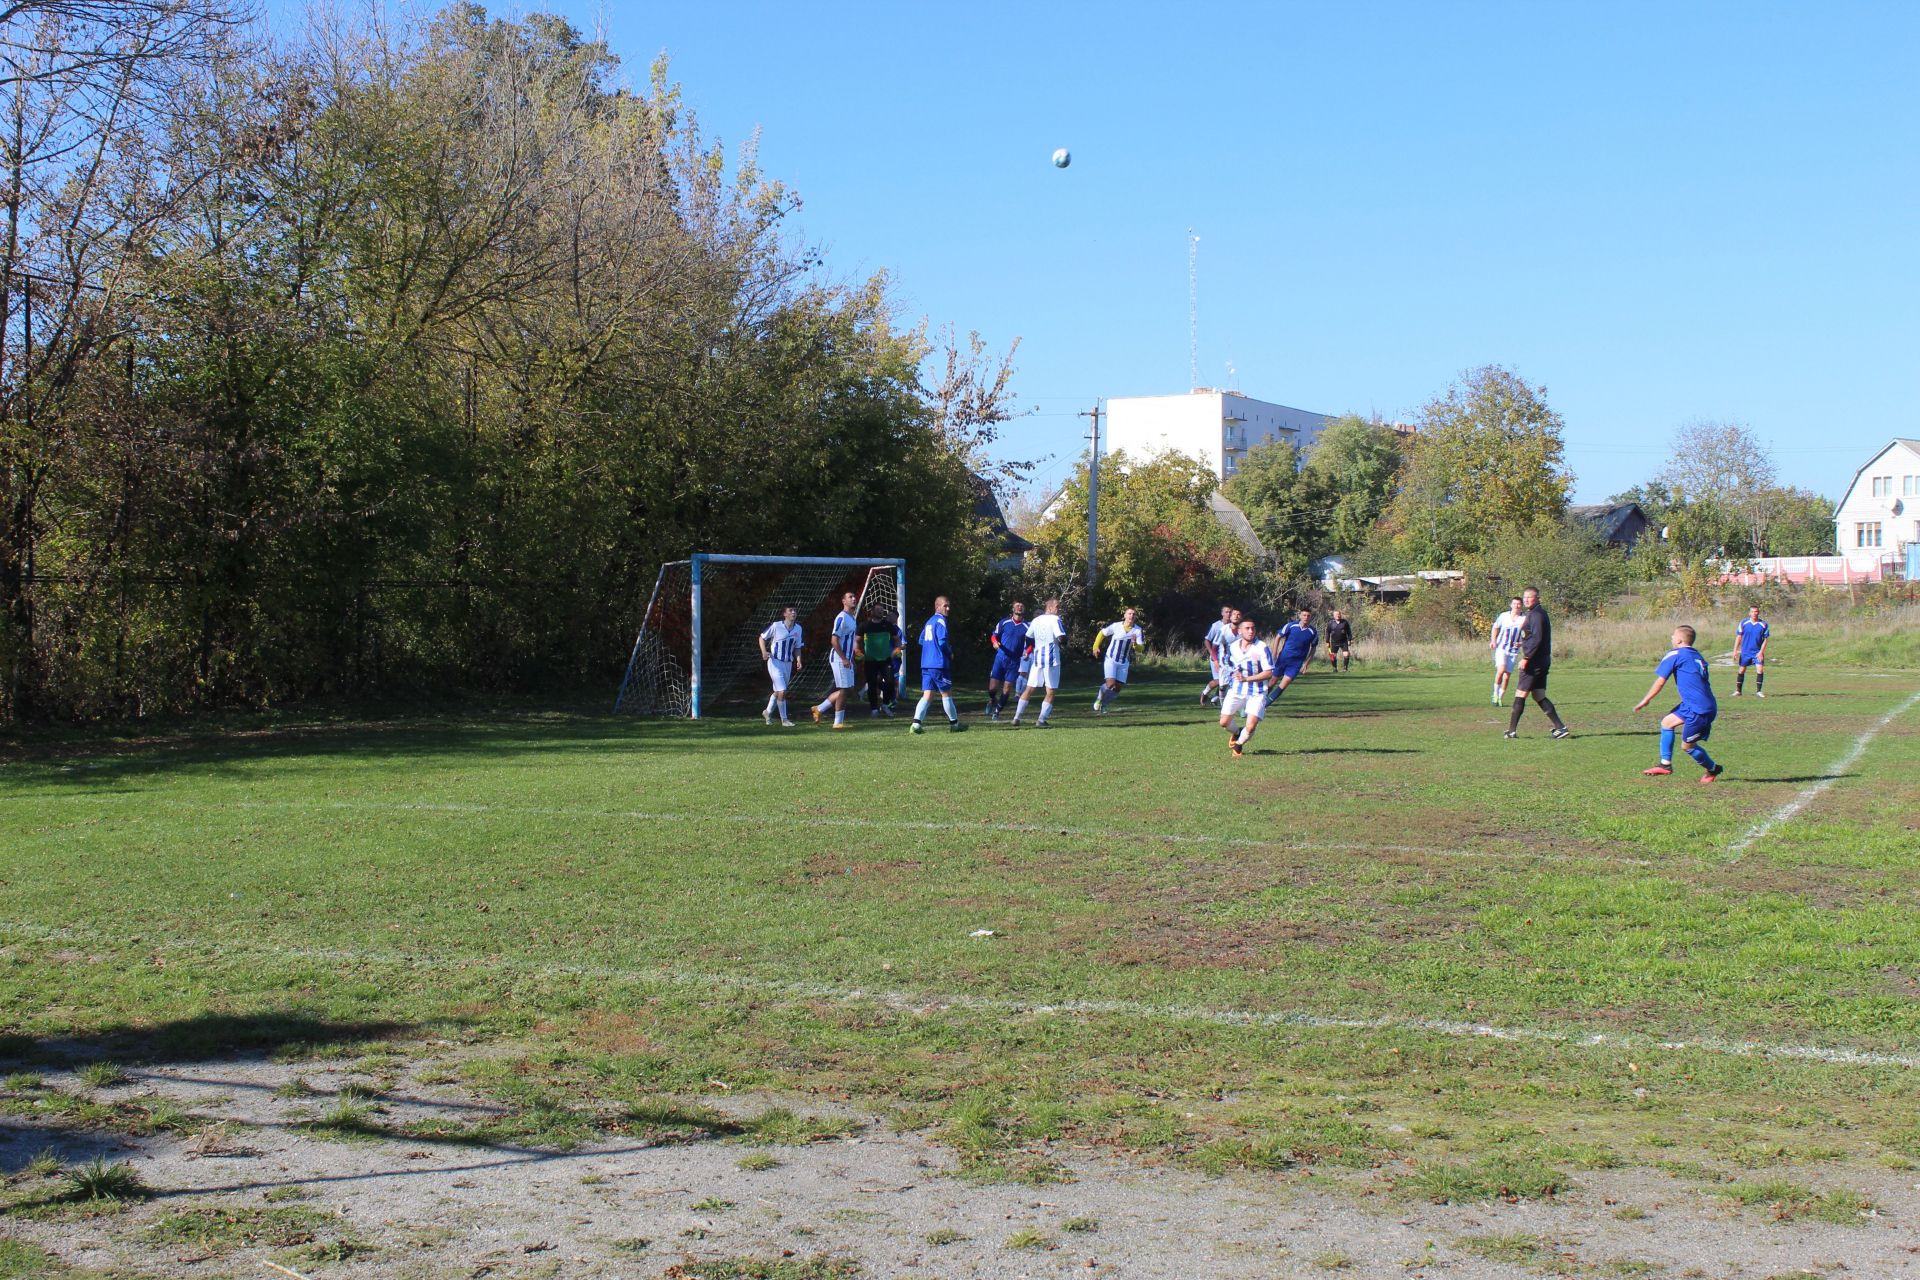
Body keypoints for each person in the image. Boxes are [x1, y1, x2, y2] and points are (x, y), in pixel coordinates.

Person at [1633, 624, 1724, 783]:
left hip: (1698, 709)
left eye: (1673, 635)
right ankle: (1665, 764)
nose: (1671, 637)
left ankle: (1713, 769)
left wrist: (1646, 699)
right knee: (1667, 723)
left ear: (1680, 640)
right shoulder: (1697, 655)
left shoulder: (1675, 654)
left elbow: (1661, 681)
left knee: (1687, 747)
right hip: (1695, 704)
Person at [1506, 586, 1570, 739]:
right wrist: (1523, 643)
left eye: (1530, 597)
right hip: (1541, 660)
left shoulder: (1536, 615)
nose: (1526, 600)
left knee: (1520, 693)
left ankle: (1511, 731)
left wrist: (1527, 657)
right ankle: (1561, 727)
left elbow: (1537, 639)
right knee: (1539, 695)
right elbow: (1533, 637)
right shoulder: (1537, 613)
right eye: (1525, 597)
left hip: (1534, 662)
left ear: (1537, 598)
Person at [1219, 616, 1276, 758]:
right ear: (1240, 631)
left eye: (1253, 628)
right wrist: (1232, 673)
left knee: (1250, 727)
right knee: (1224, 722)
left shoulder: (1262, 647)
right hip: (1237, 689)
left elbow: (1269, 672)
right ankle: (1238, 732)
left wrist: (1247, 679)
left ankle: (1238, 745)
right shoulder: (1233, 647)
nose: (1251, 631)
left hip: (1257, 692)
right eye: (1247, 628)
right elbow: (1227, 662)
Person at [909, 595, 964, 733]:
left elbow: (921, 640)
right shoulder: (940, 621)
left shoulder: (929, 621)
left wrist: (930, 648)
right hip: (938, 663)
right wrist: (949, 652)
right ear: (937, 606)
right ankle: (955, 725)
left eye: (949, 606)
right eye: (945, 606)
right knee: (946, 693)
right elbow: (942, 642)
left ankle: (915, 725)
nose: (948, 608)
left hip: (926, 663)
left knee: (927, 695)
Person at [1011, 598, 1065, 727]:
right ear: (1050, 608)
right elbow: (1061, 637)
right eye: (1057, 606)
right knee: (1051, 690)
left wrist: (1032, 648)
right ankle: (1041, 720)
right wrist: (1064, 644)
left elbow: (1028, 637)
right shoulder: (1055, 619)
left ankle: (1016, 717)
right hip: (1052, 660)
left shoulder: (1036, 620)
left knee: (1029, 688)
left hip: (1037, 659)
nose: (1059, 609)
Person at [811, 590, 860, 729]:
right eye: (850, 597)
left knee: (849, 689)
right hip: (839, 658)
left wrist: (852, 656)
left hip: (847, 659)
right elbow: (834, 640)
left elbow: (850, 640)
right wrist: (844, 658)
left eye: (854, 596)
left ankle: (819, 709)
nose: (854, 599)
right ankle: (837, 722)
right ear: (843, 601)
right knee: (844, 689)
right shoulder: (841, 617)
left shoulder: (852, 618)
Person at [1091, 607, 1144, 714]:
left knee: (1117, 687)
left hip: (1123, 662)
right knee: (1111, 684)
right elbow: (1102, 633)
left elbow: (1141, 648)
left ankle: (1104, 705)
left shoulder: (1138, 630)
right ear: (1125, 615)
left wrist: (1135, 644)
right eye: (1129, 613)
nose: (1131, 616)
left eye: (1133, 614)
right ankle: (1099, 698)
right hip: (1111, 659)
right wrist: (1095, 647)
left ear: (1135, 617)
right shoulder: (1116, 626)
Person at [757, 606, 803, 727]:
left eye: (794, 610)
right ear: (784, 614)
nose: (793, 612)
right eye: (790, 611)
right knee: (782, 691)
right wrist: (764, 652)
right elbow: (762, 638)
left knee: (778, 692)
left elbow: (797, 647)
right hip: (775, 662)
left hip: (788, 664)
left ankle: (767, 712)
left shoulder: (798, 629)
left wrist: (798, 660)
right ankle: (784, 720)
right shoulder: (776, 626)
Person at [986, 601, 1029, 720]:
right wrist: (994, 642)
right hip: (1000, 658)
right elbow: (994, 635)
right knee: (992, 688)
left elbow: (1031, 643)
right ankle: (992, 699)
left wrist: (1028, 651)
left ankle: (997, 712)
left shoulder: (1027, 626)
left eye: (1022, 606)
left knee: (1007, 688)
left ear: (1024, 609)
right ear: (1012, 608)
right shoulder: (1004, 622)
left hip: (1014, 662)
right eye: (1017, 605)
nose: (1019, 607)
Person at [1268, 607, 1318, 703]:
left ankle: (1265, 705)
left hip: (1296, 663)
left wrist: (1306, 663)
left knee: (1283, 685)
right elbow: (1278, 637)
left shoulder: (1313, 632)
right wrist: (1274, 654)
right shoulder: (1291, 626)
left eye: (1308, 616)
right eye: (1304, 615)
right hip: (1283, 659)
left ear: (1310, 617)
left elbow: (1313, 648)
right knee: (1272, 682)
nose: (1306, 617)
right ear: (1300, 616)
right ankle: (1259, 702)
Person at [859, 607, 902, 717]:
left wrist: (897, 649)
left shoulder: (888, 625)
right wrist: (857, 651)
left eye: (882, 610)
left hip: (886, 660)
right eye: (878, 609)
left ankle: (885, 704)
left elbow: (897, 640)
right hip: (870, 661)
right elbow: (856, 640)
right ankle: (874, 709)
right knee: (872, 684)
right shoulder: (865, 626)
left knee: (891, 682)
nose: (880, 611)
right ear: (872, 612)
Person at [1489, 596, 1525, 705]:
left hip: (1513, 651)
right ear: (1511, 605)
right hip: (1501, 648)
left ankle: (1500, 697)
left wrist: (1522, 643)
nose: (1516, 606)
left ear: (1521, 606)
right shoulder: (1504, 616)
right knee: (1501, 670)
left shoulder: (1524, 618)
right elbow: (1495, 627)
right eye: (1514, 604)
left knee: (1507, 676)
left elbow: (1529, 634)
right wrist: (1493, 641)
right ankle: (1495, 694)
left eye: (1519, 604)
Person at [1200, 605, 1235, 704]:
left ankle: (1215, 699)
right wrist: (1212, 653)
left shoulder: (1234, 626)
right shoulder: (1216, 626)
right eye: (1226, 612)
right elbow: (1207, 640)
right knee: (1219, 680)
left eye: (1230, 612)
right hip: (1217, 658)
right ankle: (1205, 692)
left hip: (1229, 659)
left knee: (1228, 681)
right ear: (1222, 613)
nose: (1229, 614)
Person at [1733, 606, 1770, 698]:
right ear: (1749, 613)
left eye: (1756, 611)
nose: (1754, 613)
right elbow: (1739, 637)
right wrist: (1735, 650)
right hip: (1745, 652)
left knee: (1760, 669)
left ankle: (1759, 691)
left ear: (1758, 613)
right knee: (1741, 670)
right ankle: (1738, 691)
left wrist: (1761, 652)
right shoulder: (1743, 623)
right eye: (1753, 612)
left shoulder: (1763, 624)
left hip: (1757, 652)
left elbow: (1765, 640)